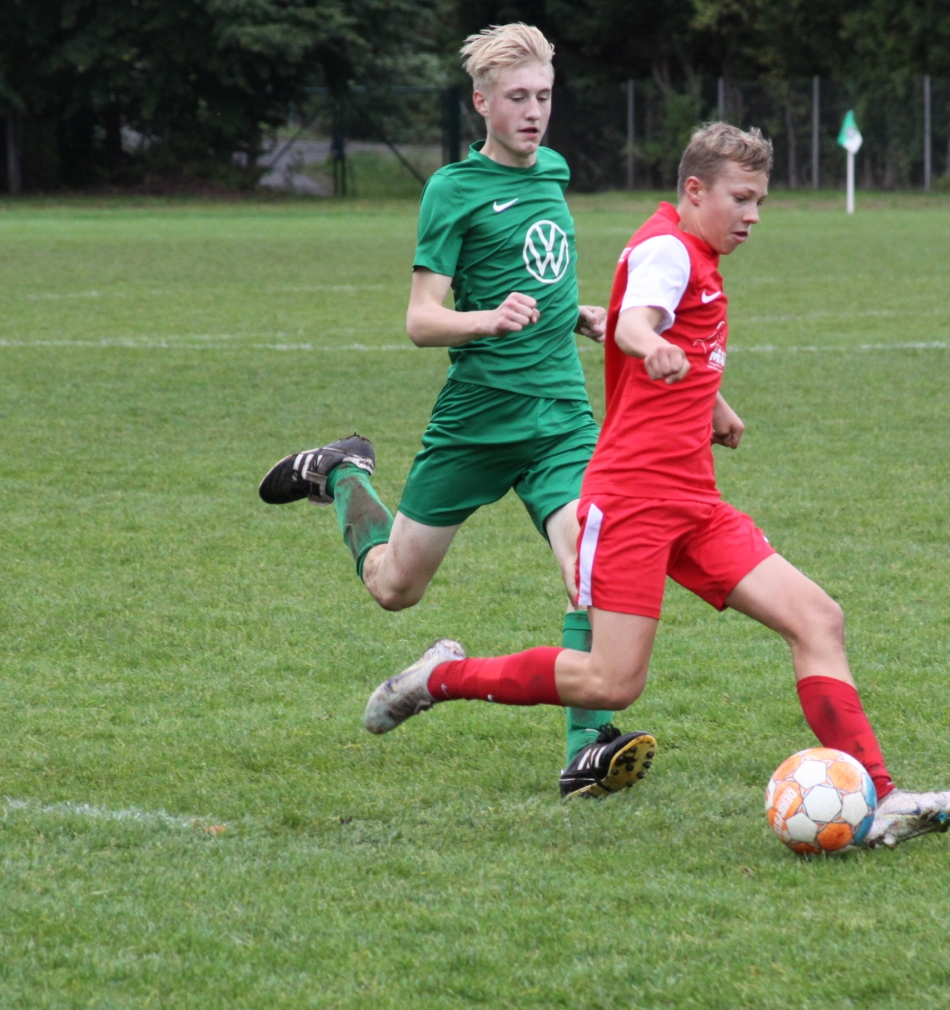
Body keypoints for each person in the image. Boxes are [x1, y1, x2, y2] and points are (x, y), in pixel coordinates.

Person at [361, 123, 950, 848]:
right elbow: (634, 323)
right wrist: (649, 343)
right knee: (611, 682)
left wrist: (712, 404)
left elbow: (677, 339)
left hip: (695, 502)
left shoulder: (697, 254)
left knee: (818, 619)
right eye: (741, 199)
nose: (753, 215)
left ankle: (882, 797)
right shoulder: (667, 250)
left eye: (760, 201)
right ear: (694, 190)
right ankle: (435, 680)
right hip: (632, 504)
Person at [258, 23, 656, 800]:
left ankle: (586, 748)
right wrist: (487, 321)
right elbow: (421, 319)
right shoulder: (451, 189)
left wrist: (576, 314)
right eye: (518, 98)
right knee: (395, 587)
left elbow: (537, 273)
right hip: (476, 421)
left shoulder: (554, 172)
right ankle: (340, 474)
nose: (534, 112)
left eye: (544, 96)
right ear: (482, 103)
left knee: (589, 567)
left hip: (560, 417)